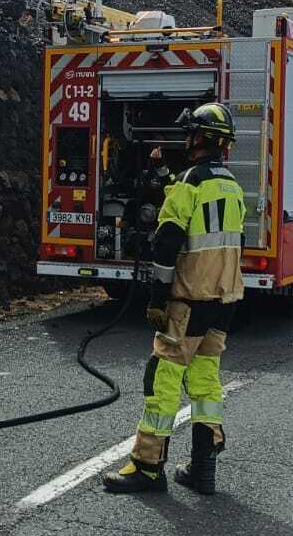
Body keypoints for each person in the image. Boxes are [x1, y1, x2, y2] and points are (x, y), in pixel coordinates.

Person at [103, 102, 246, 497]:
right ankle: (203, 468)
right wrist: (165, 174)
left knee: (162, 378)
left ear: (200, 139)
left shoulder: (190, 185)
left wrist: (156, 299)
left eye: (191, 134)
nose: (187, 140)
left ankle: (148, 467)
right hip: (225, 299)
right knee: (205, 380)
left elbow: (166, 245)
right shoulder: (231, 186)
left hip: (190, 300)